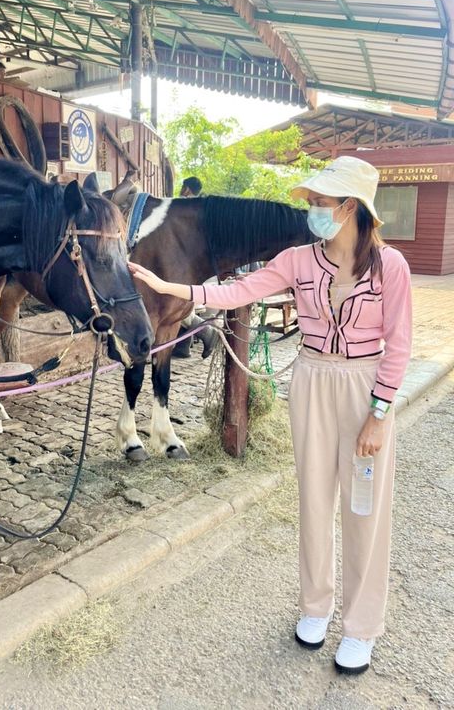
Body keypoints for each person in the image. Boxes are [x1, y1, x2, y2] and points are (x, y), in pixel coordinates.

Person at [129, 156, 412, 675]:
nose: (312, 211)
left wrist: (378, 414)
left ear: (350, 208)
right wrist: (176, 290)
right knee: (313, 498)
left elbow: (399, 346)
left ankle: (362, 625)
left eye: (320, 203)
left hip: (364, 385)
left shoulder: (390, 267)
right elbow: (238, 291)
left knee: (364, 507)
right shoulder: (300, 260)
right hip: (310, 380)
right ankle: (316, 606)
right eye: (312, 202)